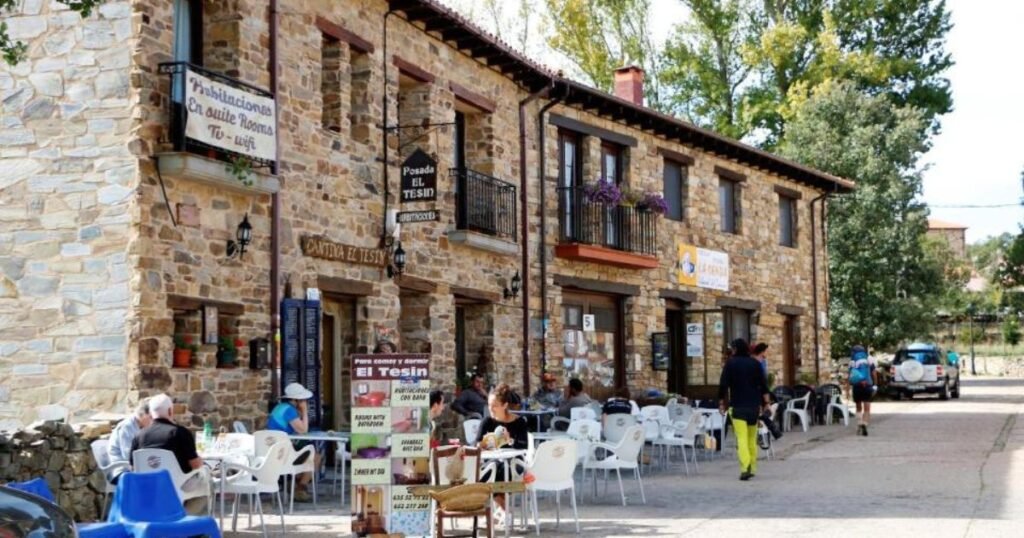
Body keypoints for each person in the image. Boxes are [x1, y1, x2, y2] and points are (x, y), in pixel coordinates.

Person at [129, 393, 208, 514]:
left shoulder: (139, 436)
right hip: (178, 486)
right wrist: (202, 463)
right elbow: (196, 465)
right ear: (170, 411)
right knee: (207, 484)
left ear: (151, 413)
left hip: (148, 487)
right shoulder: (180, 433)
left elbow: (133, 467)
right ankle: (184, 521)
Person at [718, 338, 771, 481]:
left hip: (738, 407)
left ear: (736, 349)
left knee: (741, 438)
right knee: (751, 438)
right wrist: (766, 403)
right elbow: (764, 385)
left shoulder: (730, 363)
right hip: (753, 407)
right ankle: (752, 467)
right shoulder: (755, 363)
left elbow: (723, 385)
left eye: (732, 348)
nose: (732, 351)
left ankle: (744, 466)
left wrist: (721, 403)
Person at [474, 383, 529, 514]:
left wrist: (510, 440)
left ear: (505, 405)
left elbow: (524, 445)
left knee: (502, 469)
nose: (491, 409)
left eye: (494, 406)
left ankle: (502, 507)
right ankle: (504, 506)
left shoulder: (519, 422)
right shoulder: (487, 421)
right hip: (491, 461)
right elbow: (476, 443)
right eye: (489, 405)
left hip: (514, 461)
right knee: (483, 471)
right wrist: (482, 445)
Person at [267, 382, 321, 502]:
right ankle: (300, 488)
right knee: (315, 457)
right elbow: (303, 430)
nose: (305, 402)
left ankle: (293, 483)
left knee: (307, 456)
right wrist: (305, 411)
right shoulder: (289, 411)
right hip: (283, 452)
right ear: (297, 400)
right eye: (303, 400)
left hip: (274, 450)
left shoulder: (280, 407)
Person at [107, 399, 151, 482]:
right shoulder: (127, 427)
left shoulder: (142, 426)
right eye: (151, 417)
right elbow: (128, 455)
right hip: (121, 470)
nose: (153, 420)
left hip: (137, 466)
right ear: (144, 415)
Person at [849, 345, 877, 436]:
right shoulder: (869, 359)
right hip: (867, 385)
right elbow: (874, 372)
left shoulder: (852, 361)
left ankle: (859, 423)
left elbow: (850, 375)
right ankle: (865, 423)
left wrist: (847, 389)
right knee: (867, 408)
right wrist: (875, 385)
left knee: (858, 407)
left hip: (857, 386)